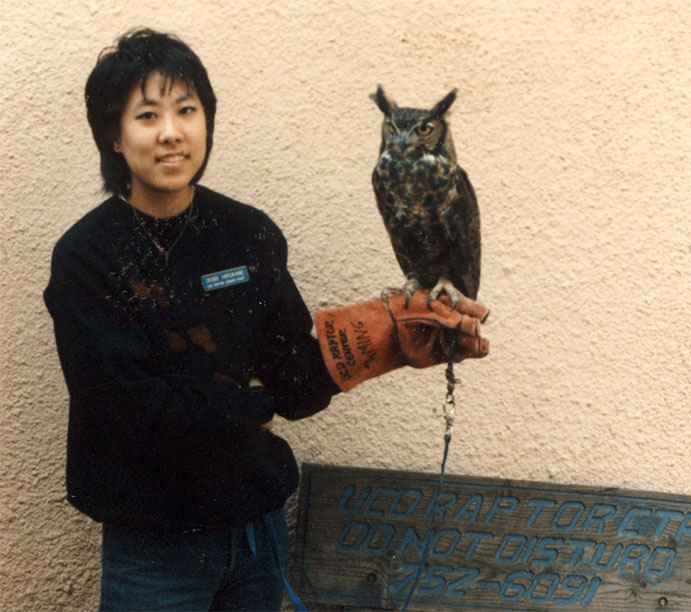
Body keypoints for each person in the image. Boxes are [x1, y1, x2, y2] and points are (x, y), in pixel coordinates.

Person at [44, 28, 489, 612]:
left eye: (187, 110)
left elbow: (292, 379)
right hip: (154, 549)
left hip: (258, 537)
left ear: (208, 121)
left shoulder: (247, 234)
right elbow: (126, 409)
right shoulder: (87, 256)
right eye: (147, 115)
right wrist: (254, 404)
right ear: (114, 136)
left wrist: (386, 341)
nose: (172, 132)